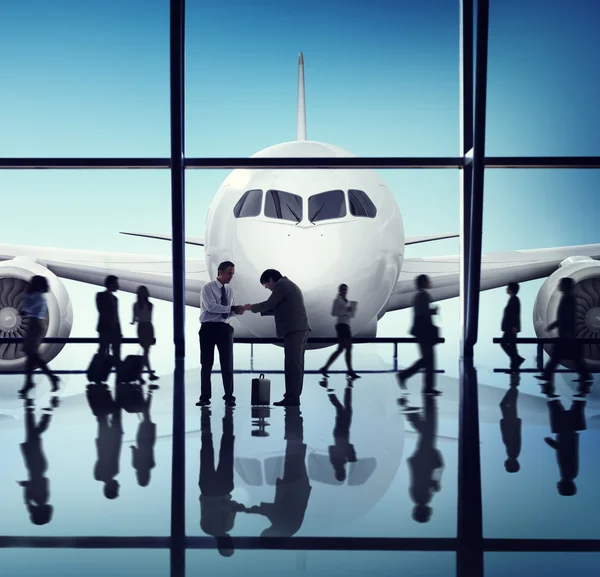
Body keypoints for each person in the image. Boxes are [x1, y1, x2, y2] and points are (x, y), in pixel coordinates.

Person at [244, 269, 311, 407]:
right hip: (297, 328)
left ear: (270, 279)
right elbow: (278, 307)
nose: (266, 288)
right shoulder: (288, 285)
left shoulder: (282, 286)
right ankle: (293, 396)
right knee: (295, 364)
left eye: (266, 284)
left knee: (293, 365)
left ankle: (292, 397)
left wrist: (250, 307)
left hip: (294, 329)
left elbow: (269, 304)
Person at [197, 261, 244, 408]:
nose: (231, 276)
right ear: (220, 272)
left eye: (232, 274)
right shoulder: (208, 288)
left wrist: (236, 310)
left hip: (224, 328)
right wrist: (231, 308)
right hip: (208, 328)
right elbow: (211, 307)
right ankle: (205, 397)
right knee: (206, 364)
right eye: (229, 273)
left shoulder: (230, 290)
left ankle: (229, 396)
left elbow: (228, 310)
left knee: (227, 364)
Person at [535, 277, 591, 385]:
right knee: (574, 357)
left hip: (566, 333)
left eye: (561, 284)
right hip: (567, 333)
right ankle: (585, 375)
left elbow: (565, 317)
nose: (559, 286)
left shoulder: (568, 298)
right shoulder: (568, 297)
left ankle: (547, 375)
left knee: (556, 356)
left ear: (565, 286)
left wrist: (554, 325)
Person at [397, 274, 440, 395]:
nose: (430, 282)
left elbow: (420, 313)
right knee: (429, 360)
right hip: (424, 332)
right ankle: (406, 376)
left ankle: (423, 385)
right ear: (424, 283)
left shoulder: (418, 296)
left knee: (427, 360)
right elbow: (424, 314)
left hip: (421, 332)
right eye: (428, 281)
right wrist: (433, 311)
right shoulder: (423, 296)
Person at [19, 275, 60, 397]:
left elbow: (27, 310)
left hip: (35, 325)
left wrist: (22, 311)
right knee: (32, 356)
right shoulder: (38, 296)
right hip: (35, 325)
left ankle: (44, 379)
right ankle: (32, 382)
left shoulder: (37, 296)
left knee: (32, 354)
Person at [320, 284, 360, 379]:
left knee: (342, 349)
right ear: (340, 290)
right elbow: (334, 313)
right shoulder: (337, 301)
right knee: (347, 348)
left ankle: (326, 368)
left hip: (346, 324)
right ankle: (349, 370)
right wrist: (346, 310)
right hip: (341, 325)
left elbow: (349, 315)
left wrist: (351, 311)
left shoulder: (347, 301)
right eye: (342, 289)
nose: (344, 291)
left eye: (345, 289)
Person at [130, 285, 159, 383]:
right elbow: (137, 317)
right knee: (146, 352)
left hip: (147, 326)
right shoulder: (144, 305)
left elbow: (135, 318)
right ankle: (147, 374)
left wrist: (134, 321)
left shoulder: (144, 305)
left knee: (146, 352)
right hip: (144, 327)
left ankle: (143, 375)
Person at [96, 275, 123, 375]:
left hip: (114, 329)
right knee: (103, 351)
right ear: (111, 284)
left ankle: (119, 375)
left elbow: (116, 316)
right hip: (105, 328)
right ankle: (98, 375)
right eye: (116, 284)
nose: (118, 286)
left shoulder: (115, 299)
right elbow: (102, 311)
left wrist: (119, 330)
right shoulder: (100, 295)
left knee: (116, 352)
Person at [500, 282, 525, 372]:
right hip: (510, 327)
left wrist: (514, 326)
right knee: (513, 346)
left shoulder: (514, 299)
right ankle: (514, 367)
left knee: (504, 343)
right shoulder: (513, 299)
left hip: (510, 328)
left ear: (511, 289)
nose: (506, 289)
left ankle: (517, 359)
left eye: (508, 288)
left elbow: (515, 314)